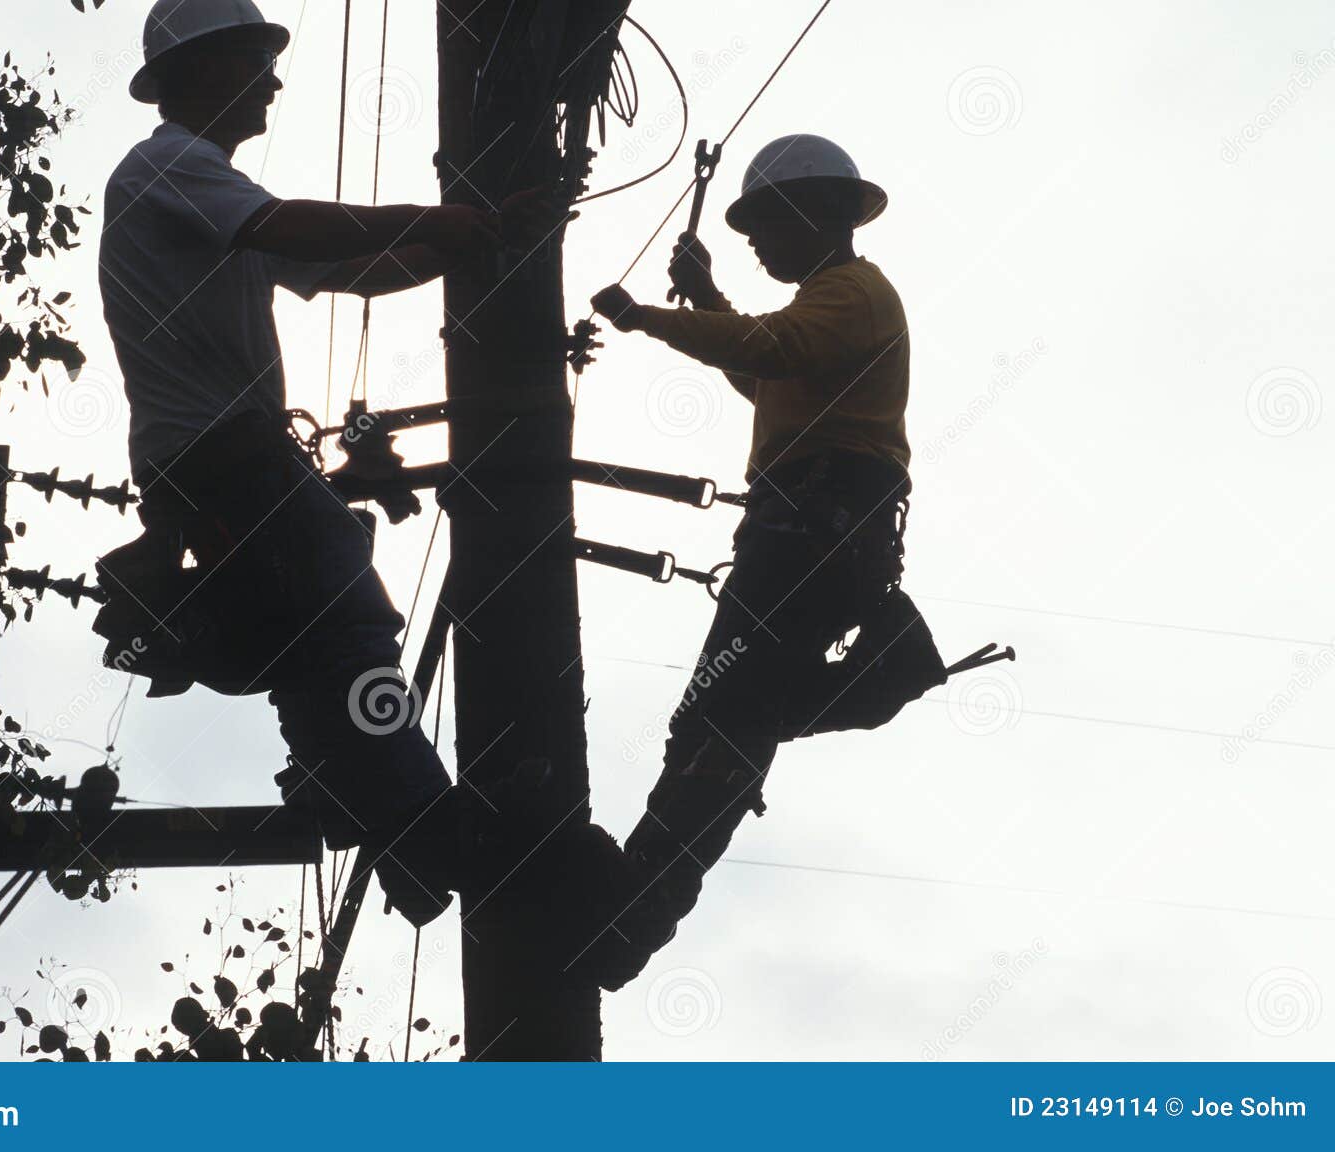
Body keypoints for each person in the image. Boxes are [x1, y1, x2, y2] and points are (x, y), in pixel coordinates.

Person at [97, 0, 557, 926]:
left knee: (318, 641)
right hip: (225, 458)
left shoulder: (205, 198)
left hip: (215, 463)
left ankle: (370, 816)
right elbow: (310, 231)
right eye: (254, 60)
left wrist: (476, 235)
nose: (272, 79)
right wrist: (454, 219)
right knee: (346, 619)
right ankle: (425, 824)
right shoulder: (168, 169)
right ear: (201, 71)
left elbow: (359, 267)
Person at [586, 134, 928, 980]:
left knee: (719, 720)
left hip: (811, 533)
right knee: (729, 718)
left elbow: (771, 353)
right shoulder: (832, 303)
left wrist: (650, 318)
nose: (756, 245)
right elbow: (771, 373)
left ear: (815, 217)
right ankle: (632, 914)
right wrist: (705, 298)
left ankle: (632, 918)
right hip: (811, 533)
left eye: (764, 230)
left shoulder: (854, 291)